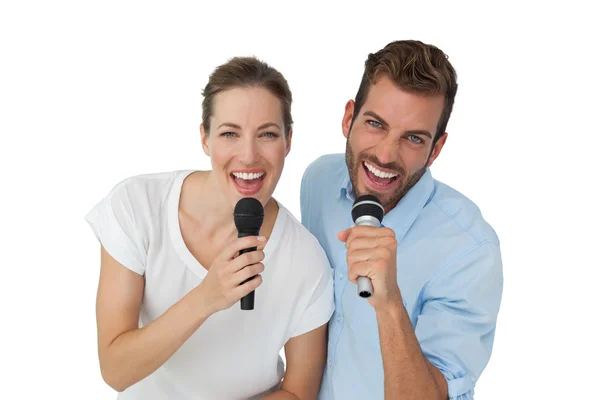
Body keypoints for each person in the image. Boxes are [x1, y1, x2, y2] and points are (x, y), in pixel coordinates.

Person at [85, 56, 334, 399]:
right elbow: (115, 371)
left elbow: (299, 392)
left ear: (288, 141)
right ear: (205, 138)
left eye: (267, 134)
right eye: (230, 133)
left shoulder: (306, 260)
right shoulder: (137, 206)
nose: (248, 156)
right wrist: (206, 298)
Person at [300, 40, 503, 399]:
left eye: (412, 138)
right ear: (349, 118)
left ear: (435, 149)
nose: (384, 154)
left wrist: (390, 303)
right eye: (376, 124)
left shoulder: (470, 251)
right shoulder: (318, 181)